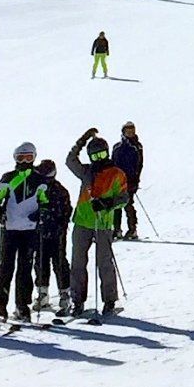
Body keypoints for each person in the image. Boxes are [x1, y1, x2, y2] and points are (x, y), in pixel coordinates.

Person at [64, 129, 130, 323]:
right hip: (82, 222)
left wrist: (107, 203)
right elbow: (70, 161)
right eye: (95, 156)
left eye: (101, 155)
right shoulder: (86, 171)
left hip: (102, 223)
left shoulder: (116, 173)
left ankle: (109, 300)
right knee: (78, 262)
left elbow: (124, 198)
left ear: (107, 153)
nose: (99, 159)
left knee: (104, 262)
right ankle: (77, 300)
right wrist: (83, 140)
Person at [0, 142, 43, 325]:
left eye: (29, 158)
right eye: (21, 158)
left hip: (29, 230)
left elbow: (45, 201)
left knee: (25, 269)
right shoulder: (9, 178)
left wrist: (41, 213)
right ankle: (0, 307)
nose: (25, 162)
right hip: (10, 229)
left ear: (34, 158)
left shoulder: (39, 179)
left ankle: (22, 306)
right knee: (5, 268)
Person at [33, 157, 72, 316]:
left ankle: (65, 293)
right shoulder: (37, 189)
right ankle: (42, 293)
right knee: (41, 261)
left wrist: (60, 225)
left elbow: (67, 212)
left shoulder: (60, 190)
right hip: (40, 232)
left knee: (59, 262)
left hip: (57, 233)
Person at [112, 123, 145, 240]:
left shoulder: (137, 147)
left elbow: (139, 164)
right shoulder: (117, 147)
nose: (131, 133)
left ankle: (132, 229)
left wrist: (136, 179)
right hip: (117, 181)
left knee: (128, 204)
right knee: (116, 205)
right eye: (128, 131)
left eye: (132, 131)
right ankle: (117, 229)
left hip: (130, 181)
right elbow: (112, 163)